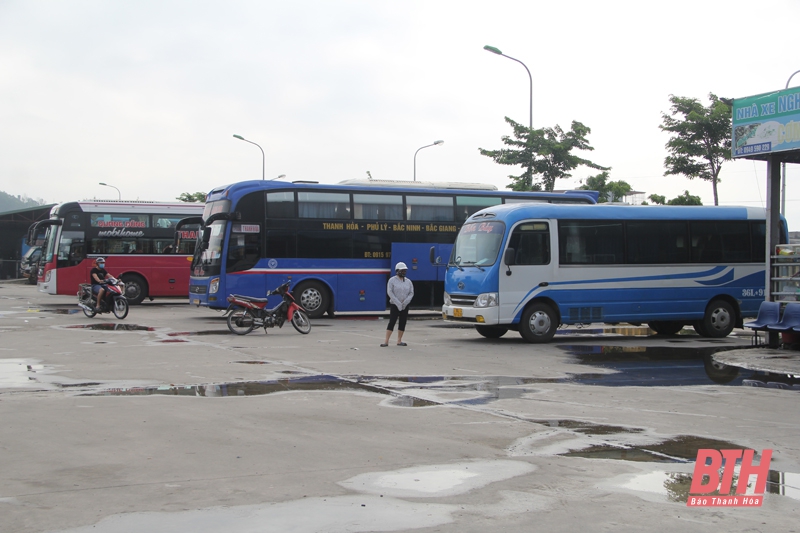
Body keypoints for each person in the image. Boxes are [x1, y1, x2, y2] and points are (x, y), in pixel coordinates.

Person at [382, 262, 414, 347]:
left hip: (405, 305)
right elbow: (390, 292)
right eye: (402, 270)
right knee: (392, 321)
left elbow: (411, 293)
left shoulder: (408, 281)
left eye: (404, 271)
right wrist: (398, 303)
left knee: (402, 322)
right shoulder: (392, 280)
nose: (404, 272)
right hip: (394, 304)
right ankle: (386, 341)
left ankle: (399, 340)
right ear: (397, 271)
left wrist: (405, 302)